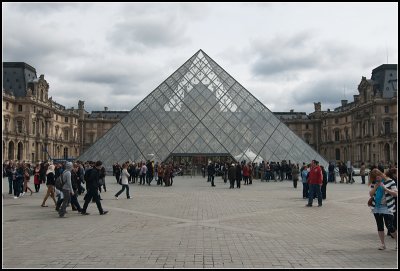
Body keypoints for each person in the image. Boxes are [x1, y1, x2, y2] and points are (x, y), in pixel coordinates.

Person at [369, 168, 397, 250]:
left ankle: (397, 242)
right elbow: (371, 194)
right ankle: (383, 244)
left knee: (390, 226)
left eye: (378, 177)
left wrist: (385, 188)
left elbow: (395, 194)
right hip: (377, 207)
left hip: (387, 207)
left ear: (381, 174)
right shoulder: (375, 182)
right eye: (375, 178)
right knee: (379, 226)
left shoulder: (391, 181)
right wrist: (375, 187)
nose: (376, 179)